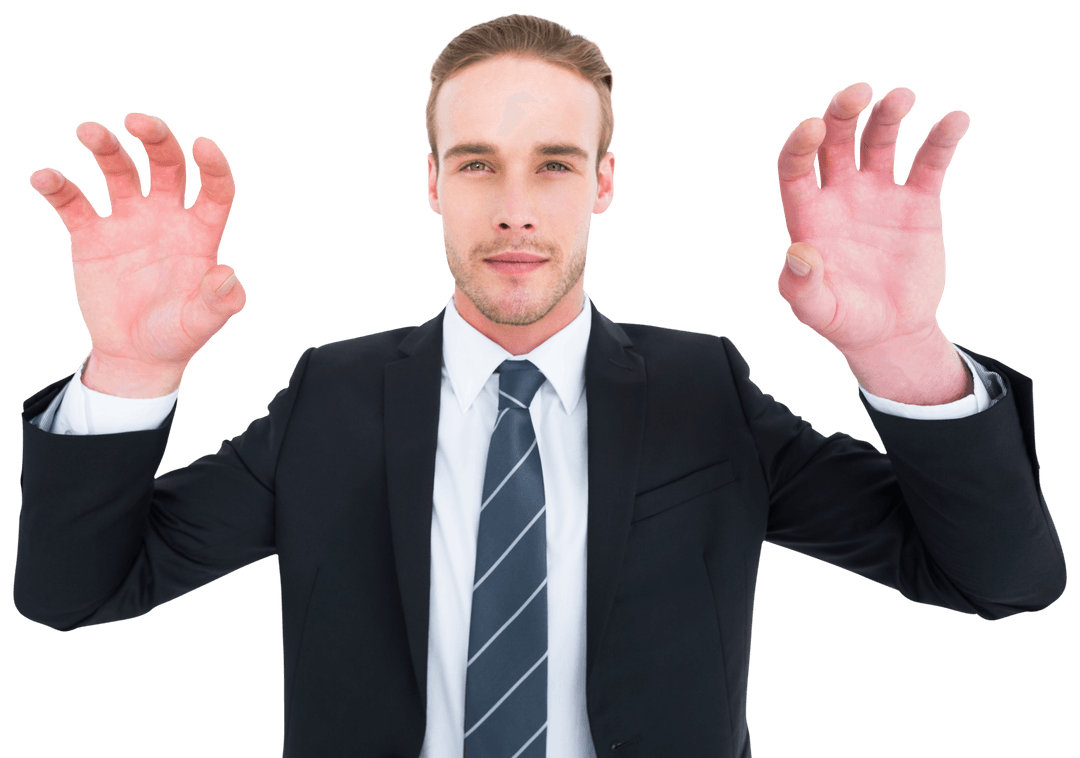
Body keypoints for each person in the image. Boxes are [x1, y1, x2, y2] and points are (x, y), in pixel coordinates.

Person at [13, 13, 1066, 758]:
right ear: (431, 182)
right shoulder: (330, 396)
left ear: (604, 182)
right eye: (476, 164)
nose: (516, 207)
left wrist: (901, 348)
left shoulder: (708, 390)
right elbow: (74, 592)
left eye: (555, 163)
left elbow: (998, 578)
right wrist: (132, 371)